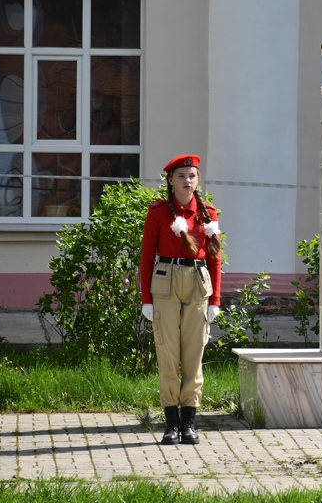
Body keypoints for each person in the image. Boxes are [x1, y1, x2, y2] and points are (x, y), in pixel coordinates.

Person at [139, 154, 222, 445]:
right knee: (168, 354)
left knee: (193, 355)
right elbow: (147, 256)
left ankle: (189, 424)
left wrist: (216, 301)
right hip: (165, 283)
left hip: (198, 285)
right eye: (182, 176)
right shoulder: (159, 212)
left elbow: (214, 259)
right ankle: (170, 425)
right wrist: (146, 299)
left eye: (192, 176)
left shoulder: (207, 213)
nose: (188, 181)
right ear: (171, 181)